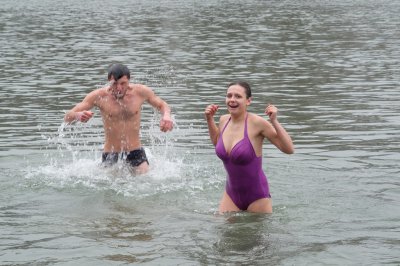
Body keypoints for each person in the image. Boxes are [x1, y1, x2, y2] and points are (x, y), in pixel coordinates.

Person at [64, 63, 173, 174]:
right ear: (109, 81)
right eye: (115, 84)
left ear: (129, 80)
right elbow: (67, 116)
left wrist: (166, 116)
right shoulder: (99, 96)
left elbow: (162, 105)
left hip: (135, 151)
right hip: (111, 153)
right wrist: (77, 115)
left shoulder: (140, 92)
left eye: (123, 83)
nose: (119, 88)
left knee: (145, 181)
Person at [205, 81, 294, 214]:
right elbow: (217, 142)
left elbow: (288, 149)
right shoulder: (224, 120)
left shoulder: (257, 123)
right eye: (229, 96)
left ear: (248, 101)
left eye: (238, 96)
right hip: (231, 195)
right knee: (223, 233)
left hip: (257, 197)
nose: (232, 100)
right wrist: (209, 119)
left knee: (254, 234)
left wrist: (274, 121)